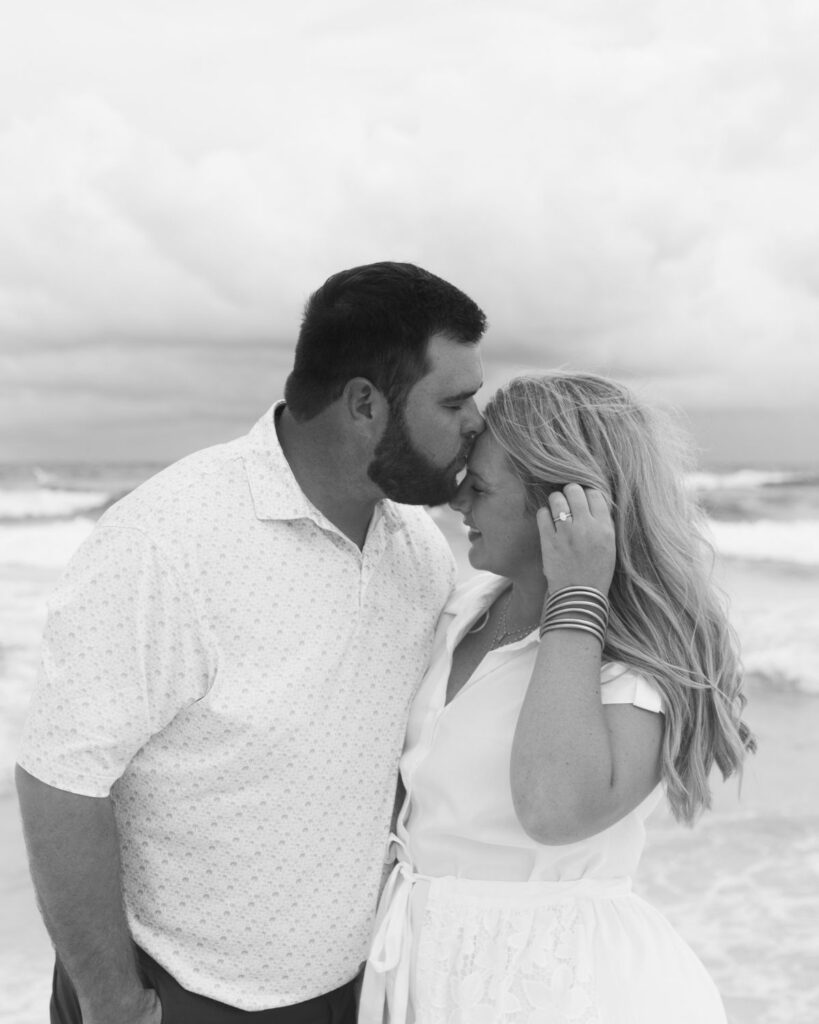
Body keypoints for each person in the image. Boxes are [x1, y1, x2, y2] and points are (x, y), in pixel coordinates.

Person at [15, 261, 487, 1024]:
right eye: (455, 401)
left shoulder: (421, 550)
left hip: (352, 985)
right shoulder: (165, 542)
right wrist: (114, 1004)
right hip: (179, 994)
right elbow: (60, 779)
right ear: (364, 403)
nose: (476, 424)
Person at [360, 371, 756, 1024]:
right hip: (425, 974)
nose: (457, 501)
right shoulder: (460, 610)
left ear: (564, 507)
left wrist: (575, 595)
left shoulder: (636, 665)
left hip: (557, 990)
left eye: (481, 487)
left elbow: (553, 809)